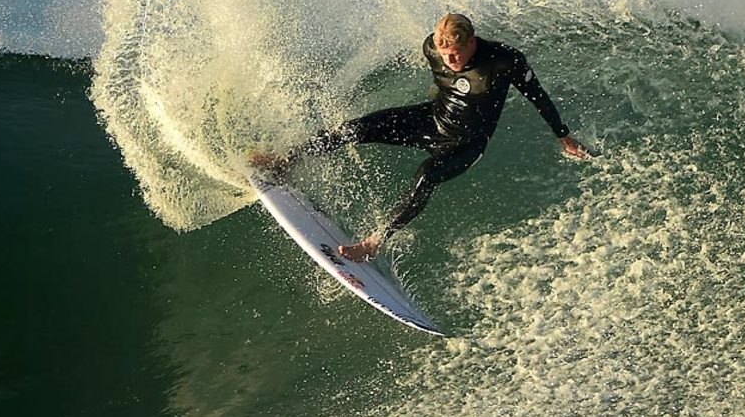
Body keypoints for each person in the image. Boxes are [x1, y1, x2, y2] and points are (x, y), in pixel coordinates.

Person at [251, 13, 589, 261]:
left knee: (426, 176)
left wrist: (563, 136)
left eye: (455, 54)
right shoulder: (432, 48)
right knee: (356, 128)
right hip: (433, 120)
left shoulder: (504, 61)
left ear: (471, 42)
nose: (449, 60)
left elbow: (538, 96)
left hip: (467, 142)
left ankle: (374, 242)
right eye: (444, 54)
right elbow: (443, 78)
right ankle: (287, 160)